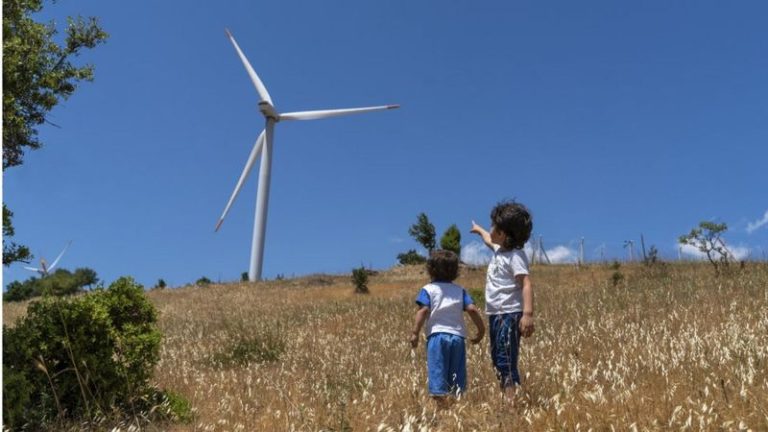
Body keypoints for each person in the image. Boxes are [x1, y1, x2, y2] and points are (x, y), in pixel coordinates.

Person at [470, 200, 534, 405]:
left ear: (505, 235)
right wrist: (479, 230)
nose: (491, 230)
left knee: (506, 359)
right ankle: (506, 396)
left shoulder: (515, 256)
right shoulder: (500, 250)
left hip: (510, 313)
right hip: (495, 314)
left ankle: (511, 403)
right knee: (497, 359)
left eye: (494, 227)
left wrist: (528, 314)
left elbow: (525, 283)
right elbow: (488, 239)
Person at [409, 250, 485, 406]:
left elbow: (423, 310)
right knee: (456, 379)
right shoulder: (460, 290)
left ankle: (443, 410)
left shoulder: (428, 290)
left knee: (438, 376)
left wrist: (415, 333)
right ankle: (456, 409)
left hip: (437, 338)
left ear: (431, 269)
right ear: (455, 271)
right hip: (457, 338)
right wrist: (481, 329)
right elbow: (471, 309)